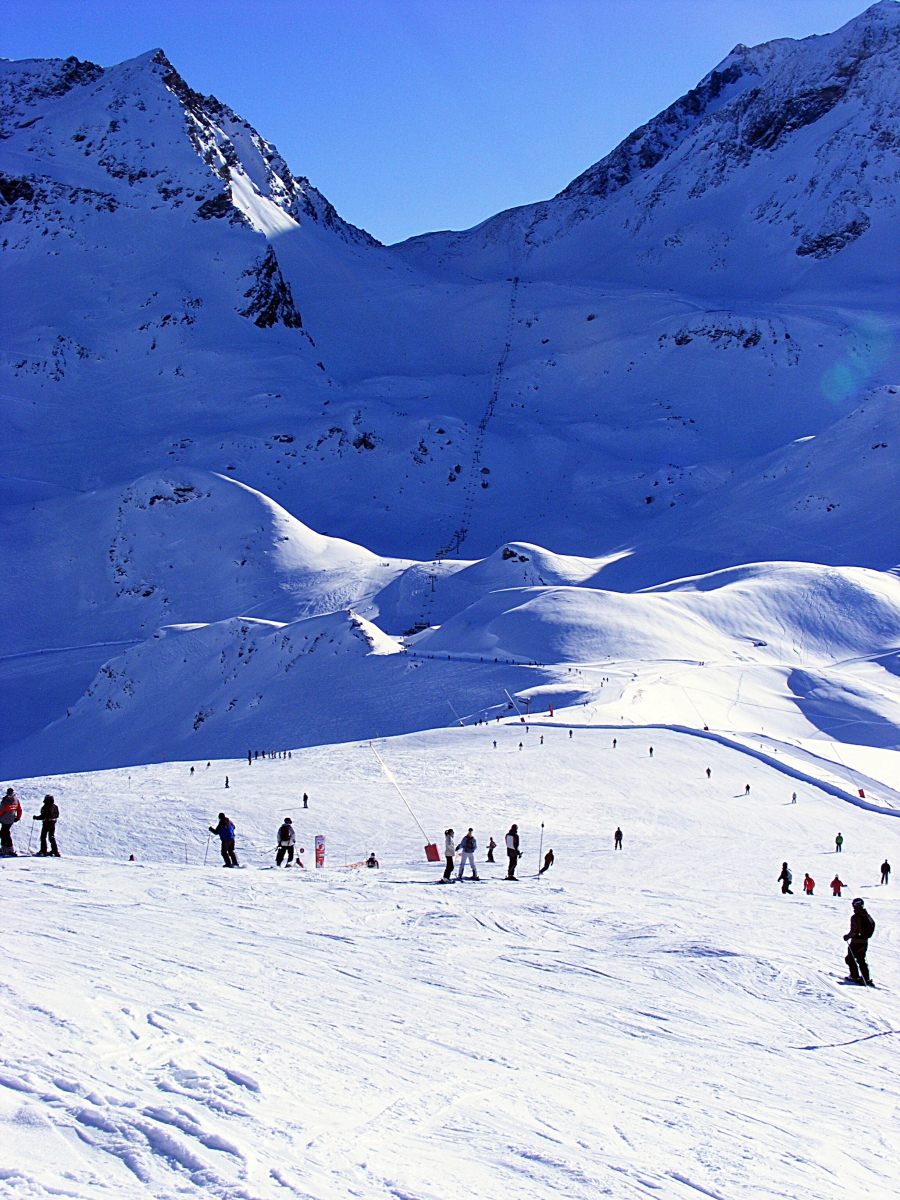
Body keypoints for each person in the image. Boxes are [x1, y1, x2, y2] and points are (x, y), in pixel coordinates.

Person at [843, 897, 875, 986]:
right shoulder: (867, 915)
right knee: (861, 959)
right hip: (864, 941)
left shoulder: (855, 917)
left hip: (856, 942)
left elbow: (854, 931)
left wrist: (847, 936)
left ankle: (854, 976)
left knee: (850, 958)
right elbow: (872, 924)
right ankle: (866, 978)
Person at [0, 787, 22, 857]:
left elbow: (1, 811)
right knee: (5, 832)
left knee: (4, 833)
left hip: (4, 819)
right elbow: (19, 810)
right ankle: (6, 847)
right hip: (11, 819)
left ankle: (7, 848)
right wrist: (18, 817)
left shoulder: (5, 801)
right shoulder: (16, 800)